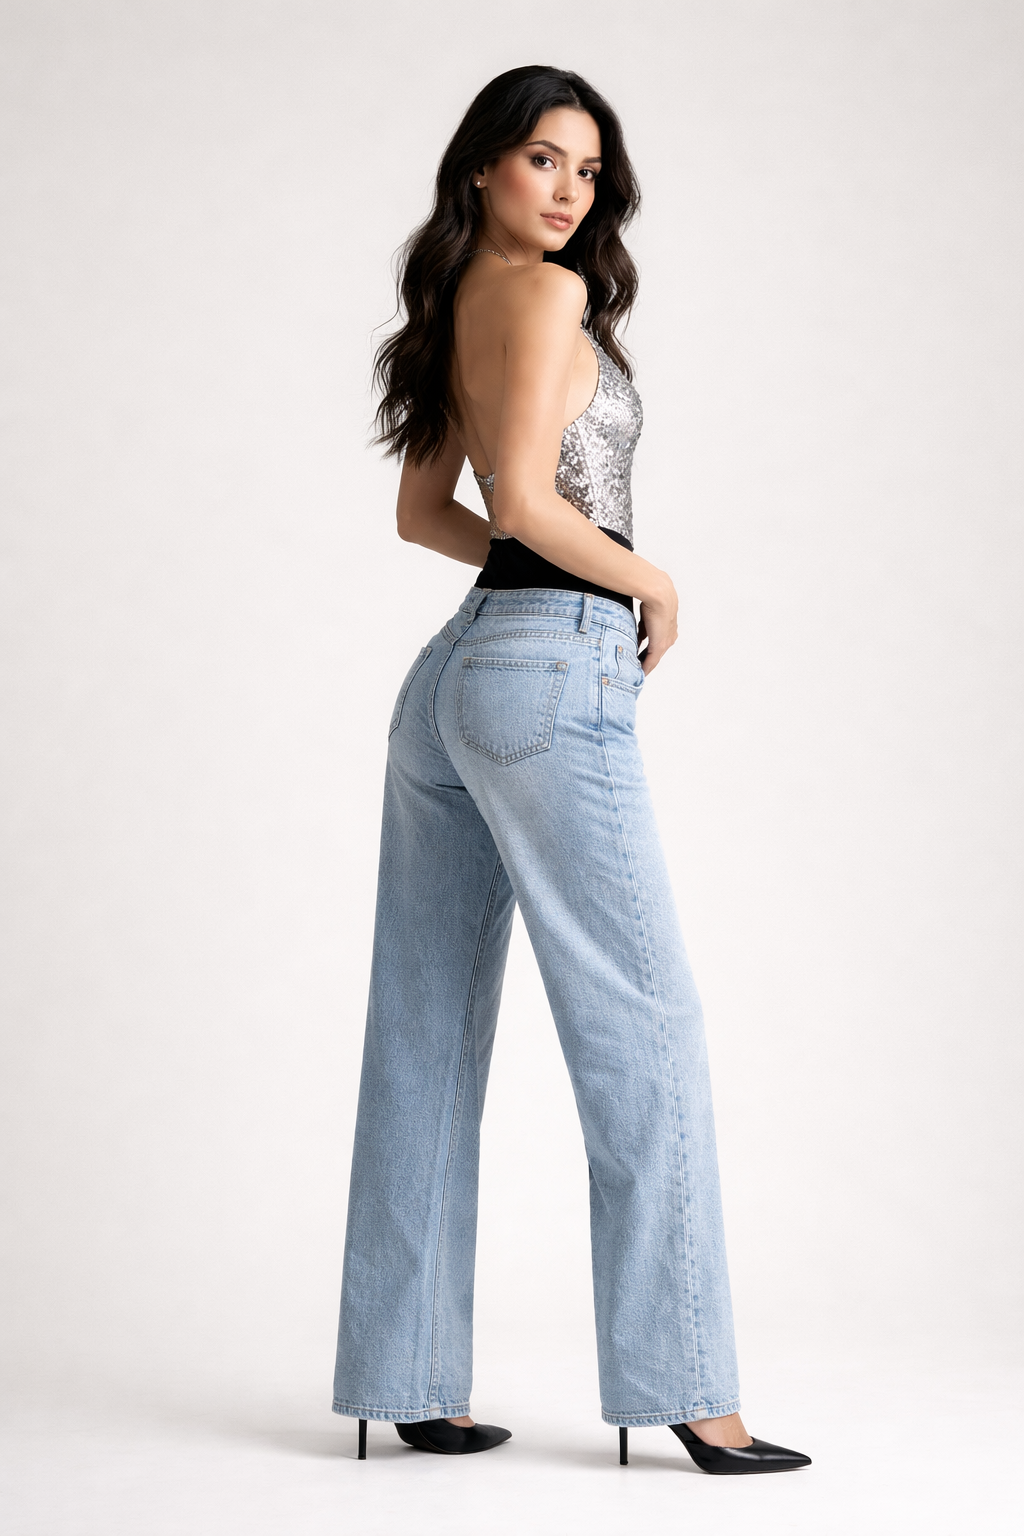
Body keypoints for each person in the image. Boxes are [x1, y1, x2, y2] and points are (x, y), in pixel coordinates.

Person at [332, 64, 810, 1475]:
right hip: (546, 674)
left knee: (422, 1027)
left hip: (457, 684)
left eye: (588, 173)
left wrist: (541, 581)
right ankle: (689, 1390)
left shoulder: (448, 311)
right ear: (482, 165)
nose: (568, 191)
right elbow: (530, 502)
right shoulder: (546, 299)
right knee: (646, 1026)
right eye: (543, 160)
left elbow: (431, 515)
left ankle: (402, 1374)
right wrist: (641, 580)